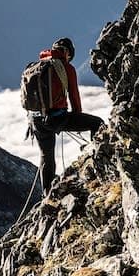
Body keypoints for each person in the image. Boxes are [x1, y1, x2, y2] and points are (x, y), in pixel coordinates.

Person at [24, 36, 103, 191]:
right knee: (97, 123)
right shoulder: (66, 68)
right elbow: (74, 97)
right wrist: (77, 117)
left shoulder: (36, 66)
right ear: (68, 53)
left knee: (46, 157)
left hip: (35, 121)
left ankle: (47, 194)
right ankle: (99, 164)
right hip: (56, 118)